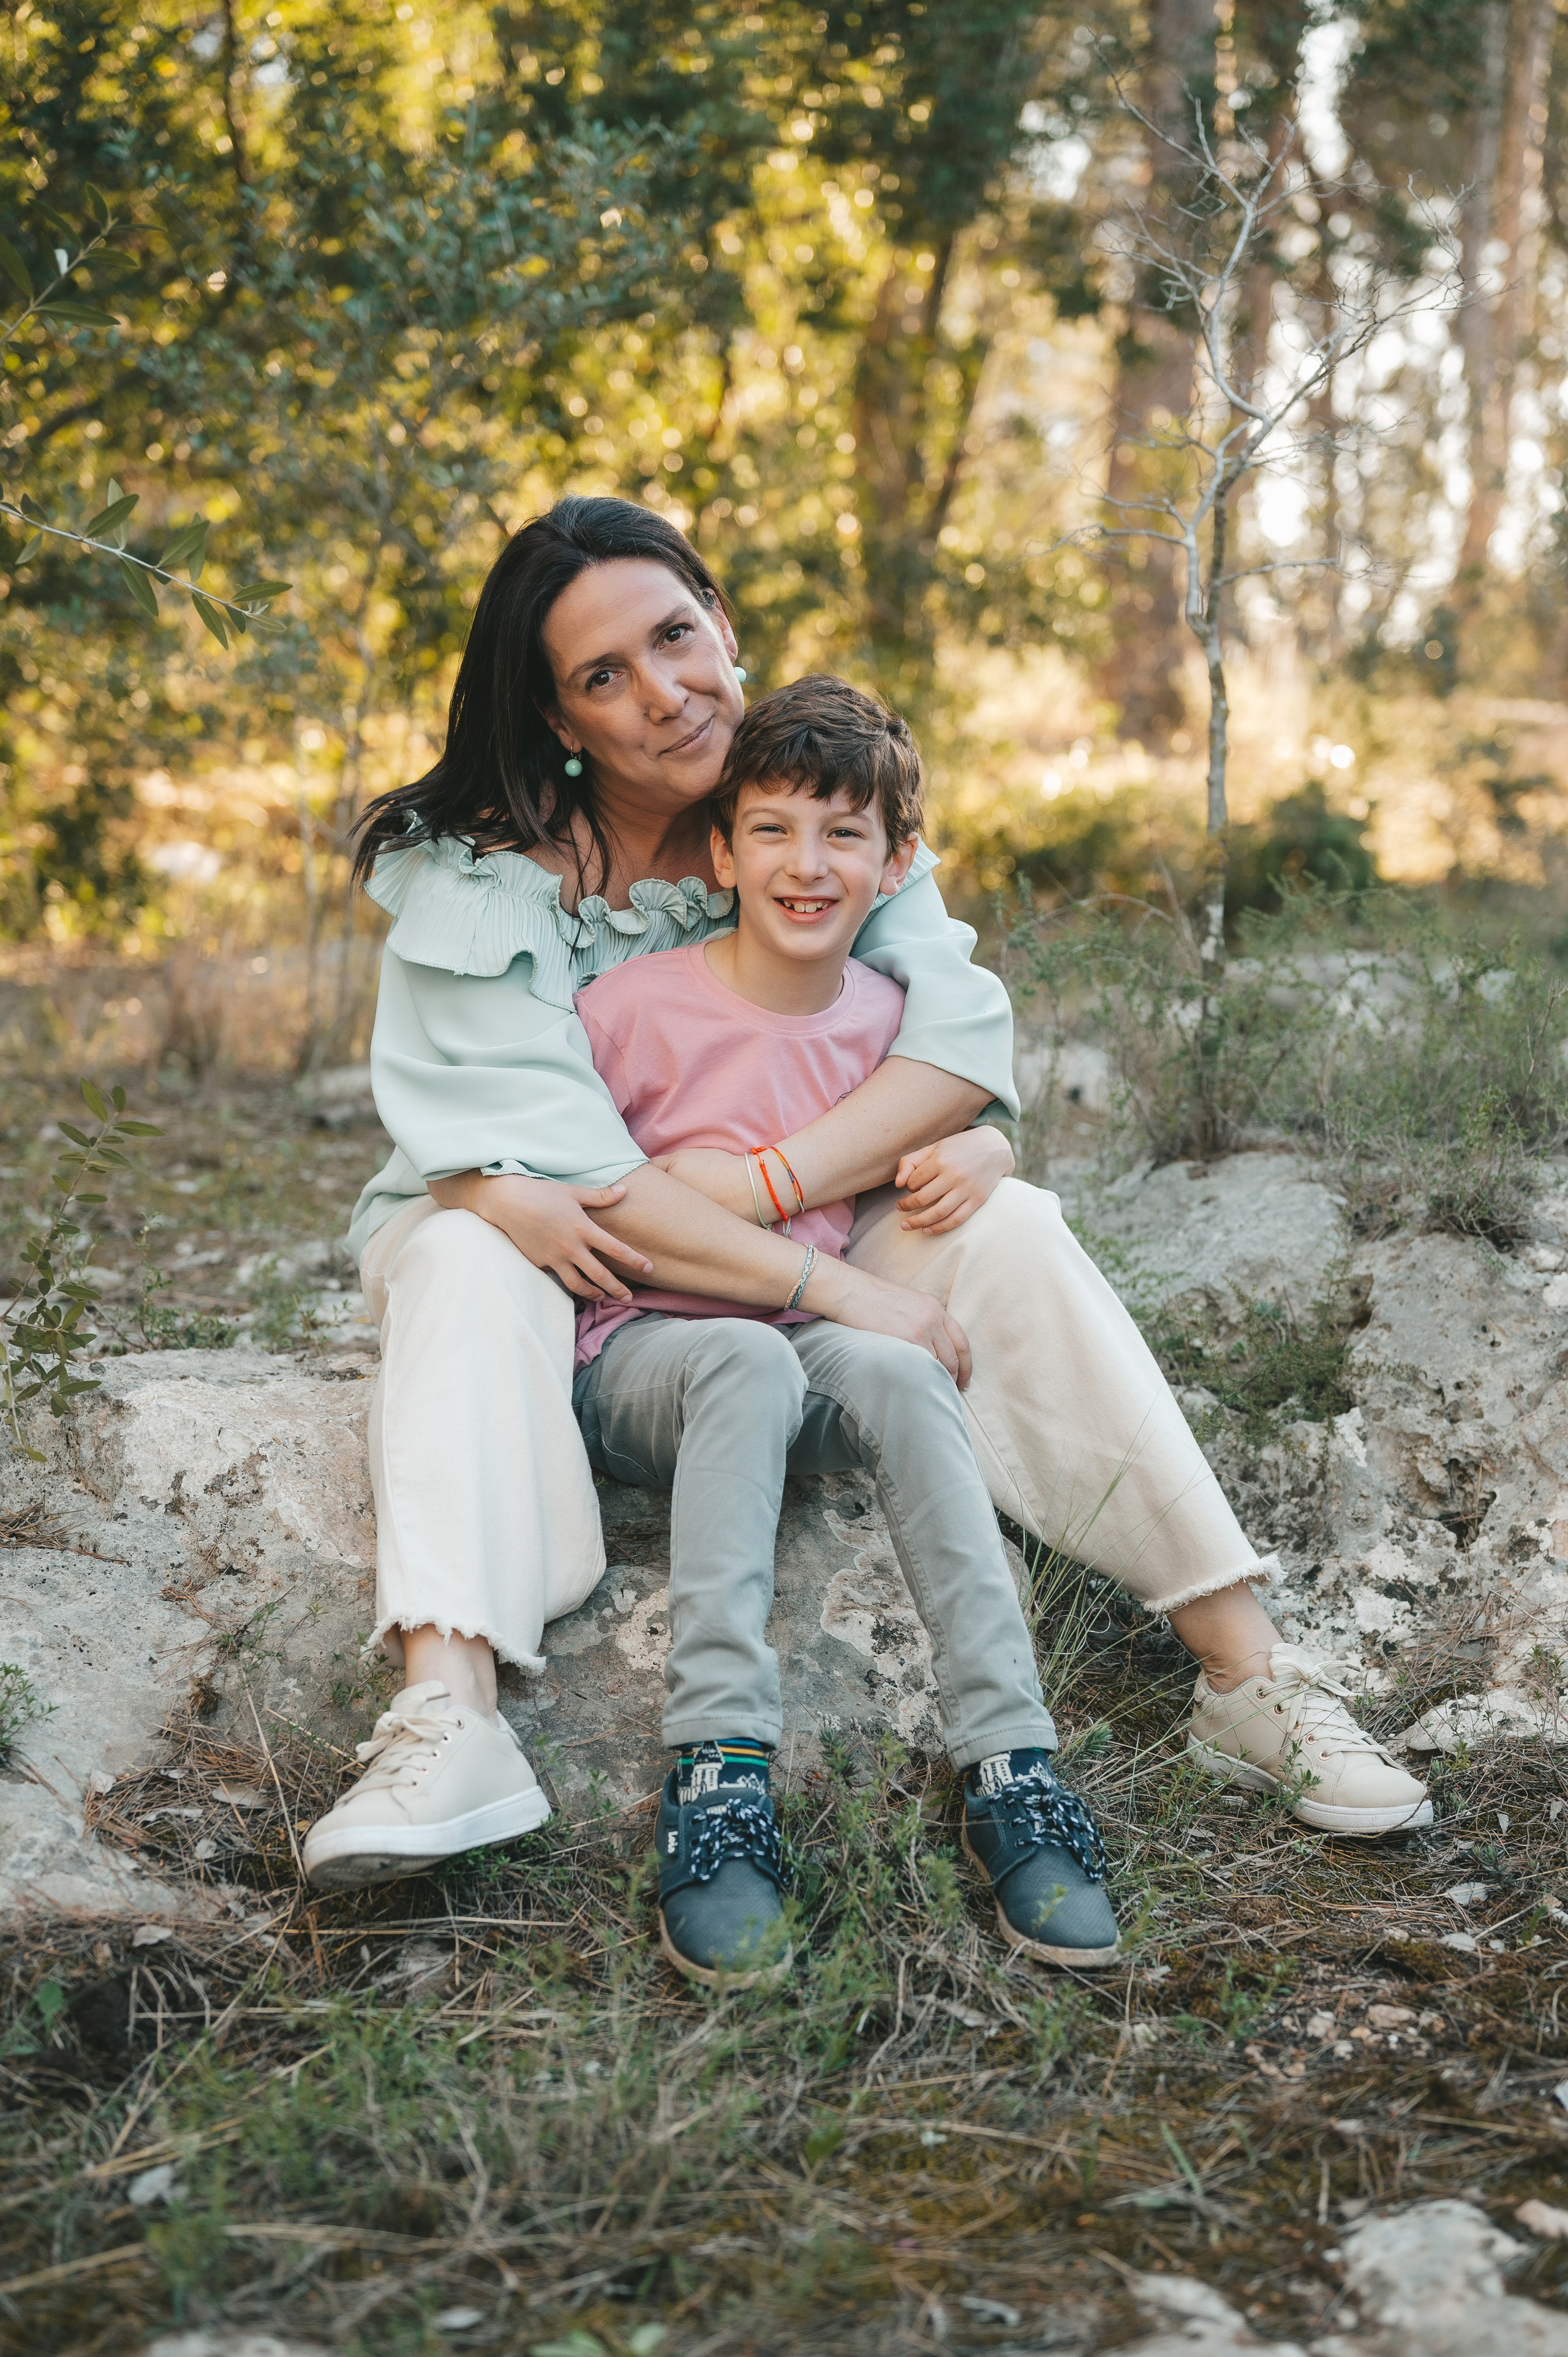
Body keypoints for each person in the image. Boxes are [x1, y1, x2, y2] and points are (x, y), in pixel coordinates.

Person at [300, 494, 1430, 1897]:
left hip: (790, 1227)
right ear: (558, 719)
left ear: (723, 622)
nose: (664, 693)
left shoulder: (815, 797)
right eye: (604, 676)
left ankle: (1245, 1678)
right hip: (565, 1263)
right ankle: (449, 1715)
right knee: (470, 1246)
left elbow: (951, 1054)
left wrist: (833, 1172)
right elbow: (592, 1184)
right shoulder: (484, 883)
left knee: (1005, 1224)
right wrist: (832, 1282)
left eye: (674, 636)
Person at [570, 674, 1117, 1983]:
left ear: (896, 862)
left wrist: (981, 1148)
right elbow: (590, 1203)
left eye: (840, 834)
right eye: (769, 829)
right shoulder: (629, 1009)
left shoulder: (885, 1029)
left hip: (799, 1358)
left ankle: (1008, 1761)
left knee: (899, 1355)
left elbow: (929, 1161)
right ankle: (717, 1778)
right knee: (756, 1349)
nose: (802, 865)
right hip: (642, 1360)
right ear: (721, 849)